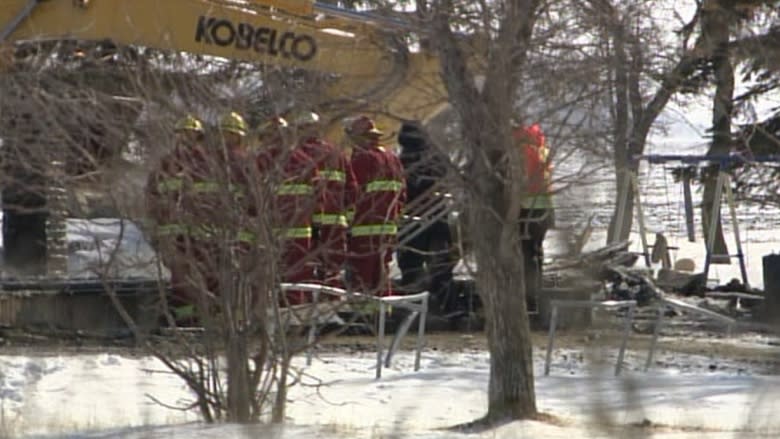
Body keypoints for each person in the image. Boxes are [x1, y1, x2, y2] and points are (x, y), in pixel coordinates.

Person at [145, 114, 206, 324]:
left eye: (192, 135)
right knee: (176, 277)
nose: (187, 139)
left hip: (198, 234)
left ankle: (194, 315)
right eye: (183, 134)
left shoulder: (206, 165)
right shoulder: (165, 164)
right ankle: (181, 316)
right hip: (171, 233)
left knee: (200, 276)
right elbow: (151, 197)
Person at [255, 115, 320, 305]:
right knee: (298, 274)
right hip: (301, 230)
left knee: (272, 275)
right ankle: (295, 313)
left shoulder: (260, 161)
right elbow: (318, 196)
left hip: (271, 230)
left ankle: (279, 314)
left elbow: (252, 197)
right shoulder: (304, 160)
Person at [289, 110, 357, 289]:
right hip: (335, 221)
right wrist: (346, 217)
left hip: (307, 222)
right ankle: (331, 302)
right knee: (332, 268)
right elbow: (352, 189)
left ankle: (309, 304)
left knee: (305, 266)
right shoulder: (337, 154)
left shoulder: (296, 155)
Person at [345, 116, 406, 296]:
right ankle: (383, 316)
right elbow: (402, 195)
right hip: (388, 228)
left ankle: (363, 319)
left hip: (363, 228)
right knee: (381, 273)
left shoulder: (362, 159)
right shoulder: (392, 159)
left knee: (362, 275)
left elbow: (352, 194)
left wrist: (346, 223)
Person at [396, 122, 455, 307]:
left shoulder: (402, 160)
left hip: (412, 218)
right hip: (438, 217)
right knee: (441, 265)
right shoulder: (437, 157)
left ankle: (412, 307)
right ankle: (447, 304)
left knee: (410, 265)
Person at [513, 122, 555, 311]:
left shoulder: (522, 152)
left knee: (525, 254)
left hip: (527, 209)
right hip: (544, 209)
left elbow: (520, 182)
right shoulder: (541, 149)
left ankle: (528, 301)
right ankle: (536, 296)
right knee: (536, 253)